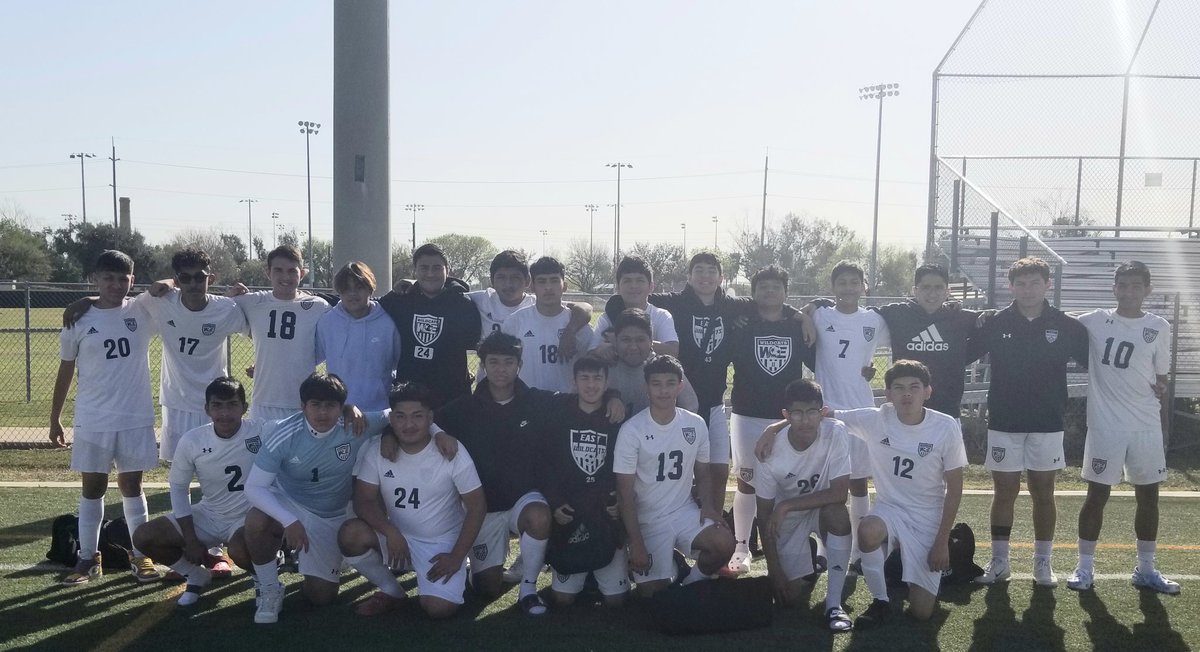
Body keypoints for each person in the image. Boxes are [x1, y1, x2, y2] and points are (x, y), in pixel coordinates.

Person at [604, 252, 814, 532]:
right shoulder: (675, 303)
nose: (705, 276)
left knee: (717, 469)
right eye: (698, 271)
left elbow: (768, 301)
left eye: (711, 271)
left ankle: (713, 524)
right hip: (677, 401)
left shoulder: (732, 306)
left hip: (714, 401)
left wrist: (801, 315)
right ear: (689, 277)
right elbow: (623, 299)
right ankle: (657, 526)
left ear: (721, 277)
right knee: (674, 470)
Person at [433, 332, 621, 615]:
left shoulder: (536, 401)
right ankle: (484, 566)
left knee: (538, 515)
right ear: (482, 364)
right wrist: (438, 433)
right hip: (484, 506)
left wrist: (614, 396)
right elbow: (425, 420)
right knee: (487, 590)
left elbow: (583, 396)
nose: (501, 369)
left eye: (508, 362)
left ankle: (529, 588)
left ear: (519, 365)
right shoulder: (464, 408)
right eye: (493, 362)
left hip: (524, 498)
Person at [969, 257, 1088, 588]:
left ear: (1047, 284)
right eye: (1021, 283)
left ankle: (1042, 562)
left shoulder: (1065, 325)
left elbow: (1100, 363)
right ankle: (1000, 561)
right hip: (1005, 420)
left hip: (1048, 421)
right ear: (1011, 287)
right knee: (1004, 491)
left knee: (1043, 492)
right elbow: (960, 351)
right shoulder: (995, 322)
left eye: (1035, 282)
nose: (1028, 289)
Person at [50, 250, 162, 584]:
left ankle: (141, 556)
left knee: (132, 486)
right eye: (108, 278)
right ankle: (88, 558)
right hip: (93, 417)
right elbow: (66, 369)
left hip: (134, 415)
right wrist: (55, 417)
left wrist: (86, 297)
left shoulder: (141, 310)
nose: (116, 285)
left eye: (123, 278)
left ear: (132, 278)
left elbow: (168, 288)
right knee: (93, 487)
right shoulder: (77, 319)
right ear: (95, 279)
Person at [241, 372, 389, 624]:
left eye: (330, 405)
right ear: (303, 406)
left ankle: (324, 561)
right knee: (257, 520)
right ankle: (269, 588)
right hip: (293, 504)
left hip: (333, 515)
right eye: (315, 405)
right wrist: (289, 520)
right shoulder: (283, 433)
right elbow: (254, 488)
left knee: (321, 598)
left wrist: (436, 433)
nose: (322, 413)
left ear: (341, 407)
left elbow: (396, 414)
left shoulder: (355, 424)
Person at [825, 360, 965, 626]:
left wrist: (941, 541)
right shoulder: (876, 418)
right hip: (890, 510)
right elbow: (823, 413)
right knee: (867, 530)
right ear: (887, 394)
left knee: (921, 613)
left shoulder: (945, 426)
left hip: (927, 518)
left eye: (914, 387)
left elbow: (955, 488)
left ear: (928, 391)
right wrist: (773, 430)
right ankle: (880, 600)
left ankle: (906, 565)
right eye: (898, 388)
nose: (907, 394)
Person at [1067, 261, 1179, 594]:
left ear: (1148, 290)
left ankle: (1146, 569)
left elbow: (1161, 379)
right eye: (1123, 285)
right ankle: (1084, 568)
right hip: (1106, 425)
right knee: (1096, 495)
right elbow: (1051, 317)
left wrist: (1164, 425)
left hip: (1145, 425)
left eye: (1136, 285)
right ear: (1113, 288)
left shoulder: (1158, 326)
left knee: (1149, 497)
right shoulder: (1095, 320)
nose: (1129, 292)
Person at [339, 382, 487, 618]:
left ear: (430, 417)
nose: (408, 424)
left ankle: (458, 575)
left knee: (438, 610)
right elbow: (363, 501)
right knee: (351, 533)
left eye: (417, 416)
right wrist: (391, 532)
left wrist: (457, 556)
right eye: (400, 417)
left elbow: (477, 506)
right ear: (392, 419)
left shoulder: (451, 450)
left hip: (441, 543)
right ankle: (392, 591)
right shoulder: (378, 450)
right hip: (398, 539)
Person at [131, 377, 261, 607]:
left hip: (247, 516)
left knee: (241, 550)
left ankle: (264, 578)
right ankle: (195, 575)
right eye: (217, 405)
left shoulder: (261, 431)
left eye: (232, 404)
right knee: (144, 536)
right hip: (210, 513)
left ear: (244, 407)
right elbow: (179, 488)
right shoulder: (192, 440)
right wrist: (190, 539)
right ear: (207, 409)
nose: (224, 413)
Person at [614, 355, 735, 598]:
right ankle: (671, 564)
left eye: (670, 383)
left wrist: (709, 506)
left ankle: (693, 580)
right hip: (647, 519)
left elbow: (703, 472)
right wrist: (636, 541)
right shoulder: (632, 430)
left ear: (680, 386)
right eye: (656, 383)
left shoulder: (696, 424)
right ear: (645, 387)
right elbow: (624, 493)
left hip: (683, 510)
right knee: (651, 595)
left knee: (723, 542)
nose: (663, 390)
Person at [726, 265, 814, 574]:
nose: (770, 292)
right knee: (747, 481)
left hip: (786, 417)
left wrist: (806, 314)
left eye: (776, 287)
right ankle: (742, 546)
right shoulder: (742, 323)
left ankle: (785, 541)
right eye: (763, 287)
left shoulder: (797, 325)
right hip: (747, 413)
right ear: (753, 293)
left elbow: (824, 310)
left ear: (786, 293)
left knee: (784, 482)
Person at [810, 263, 981, 417]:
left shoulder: (959, 317)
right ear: (915, 291)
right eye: (926, 287)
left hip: (946, 411)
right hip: (899, 411)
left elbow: (989, 323)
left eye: (938, 287)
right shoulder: (894, 315)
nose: (932, 293)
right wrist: (814, 304)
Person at [753, 378, 853, 632]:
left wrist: (786, 506)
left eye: (811, 412)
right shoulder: (768, 451)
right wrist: (773, 570)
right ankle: (805, 555)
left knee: (839, 515)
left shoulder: (836, 431)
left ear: (822, 412)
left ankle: (834, 604)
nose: (805, 420)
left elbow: (840, 493)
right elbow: (764, 515)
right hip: (785, 520)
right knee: (788, 599)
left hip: (817, 508)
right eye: (797, 413)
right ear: (786, 415)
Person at [809, 261, 889, 569]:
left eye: (854, 282)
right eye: (841, 282)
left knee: (857, 481)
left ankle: (858, 547)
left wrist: (870, 371)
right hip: (825, 409)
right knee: (824, 482)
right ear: (833, 287)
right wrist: (807, 312)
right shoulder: (820, 315)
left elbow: (901, 338)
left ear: (863, 286)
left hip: (860, 408)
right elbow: (801, 314)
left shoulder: (875, 320)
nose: (847, 287)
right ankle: (824, 548)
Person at [536, 357, 628, 607]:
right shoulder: (557, 411)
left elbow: (626, 469)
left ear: (607, 382)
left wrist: (618, 501)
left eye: (597, 378)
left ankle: (604, 575)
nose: (591, 385)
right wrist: (554, 504)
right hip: (570, 514)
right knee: (563, 600)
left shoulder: (617, 417)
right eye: (585, 378)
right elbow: (546, 466)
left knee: (616, 602)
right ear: (573, 382)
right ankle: (582, 576)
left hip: (603, 514)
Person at [230, 245, 331, 421]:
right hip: (264, 402)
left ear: (302, 274)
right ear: (268, 272)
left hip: (303, 403)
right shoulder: (252, 302)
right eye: (278, 270)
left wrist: (294, 360)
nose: (285, 277)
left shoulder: (317, 306)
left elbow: (330, 340)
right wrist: (229, 295)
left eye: (292, 271)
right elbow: (215, 310)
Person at [380, 243, 481, 408]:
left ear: (447, 270)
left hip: (451, 399)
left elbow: (473, 342)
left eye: (437, 268)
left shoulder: (463, 305)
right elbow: (367, 307)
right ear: (415, 271)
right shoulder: (400, 301)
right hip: (409, 398)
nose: (430, 273)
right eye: (423, 268)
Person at [316, 261, 401, 411]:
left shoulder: (389, 323)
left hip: (380, 413)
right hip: (339, 413)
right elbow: (313, 358)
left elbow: (399, 363)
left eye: (359, 287)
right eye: (346, 289)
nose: (353, 294)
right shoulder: (327, 322)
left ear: (370, 288)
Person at [501, 256, 594, 392]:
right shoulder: (515, 322)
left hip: (567, 404)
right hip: (528, 404)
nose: (548, 287)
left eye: (554, 280)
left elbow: (592, 365)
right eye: (542, 281)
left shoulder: (578, 325)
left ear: (565, 286)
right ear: (532, 287)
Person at [602, 309, 699, 416]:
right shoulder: (603, 369)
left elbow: (691, 406)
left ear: (651, 341)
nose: (633, 347)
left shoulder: (664, 367)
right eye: (626, 340)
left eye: (640, 340)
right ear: (615, 341)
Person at [588, 256, 679, 359]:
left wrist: (622, 341)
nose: (633, 286)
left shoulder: (661, 316)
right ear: (618, 288)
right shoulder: (606, 318)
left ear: (651, 287)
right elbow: (591, 354)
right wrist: (601, 350)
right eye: (627, 281)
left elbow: (672, 350)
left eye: (640, 280)